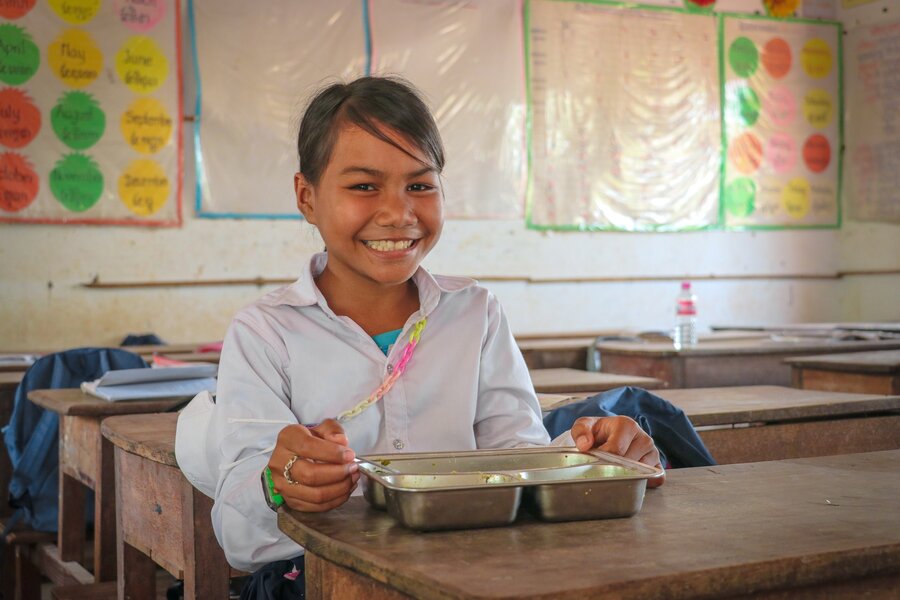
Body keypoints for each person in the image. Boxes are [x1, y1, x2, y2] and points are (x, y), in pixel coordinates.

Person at [205, 76, 664, 597]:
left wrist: (591, 458)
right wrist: (279, 482)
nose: (399, 213)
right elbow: (238, 538)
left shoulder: (475, 314)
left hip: (465, 573)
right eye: (363, 186)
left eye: (420, 186)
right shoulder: (265, 333)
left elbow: (515, 461)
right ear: (307, 198)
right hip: (326, 581)